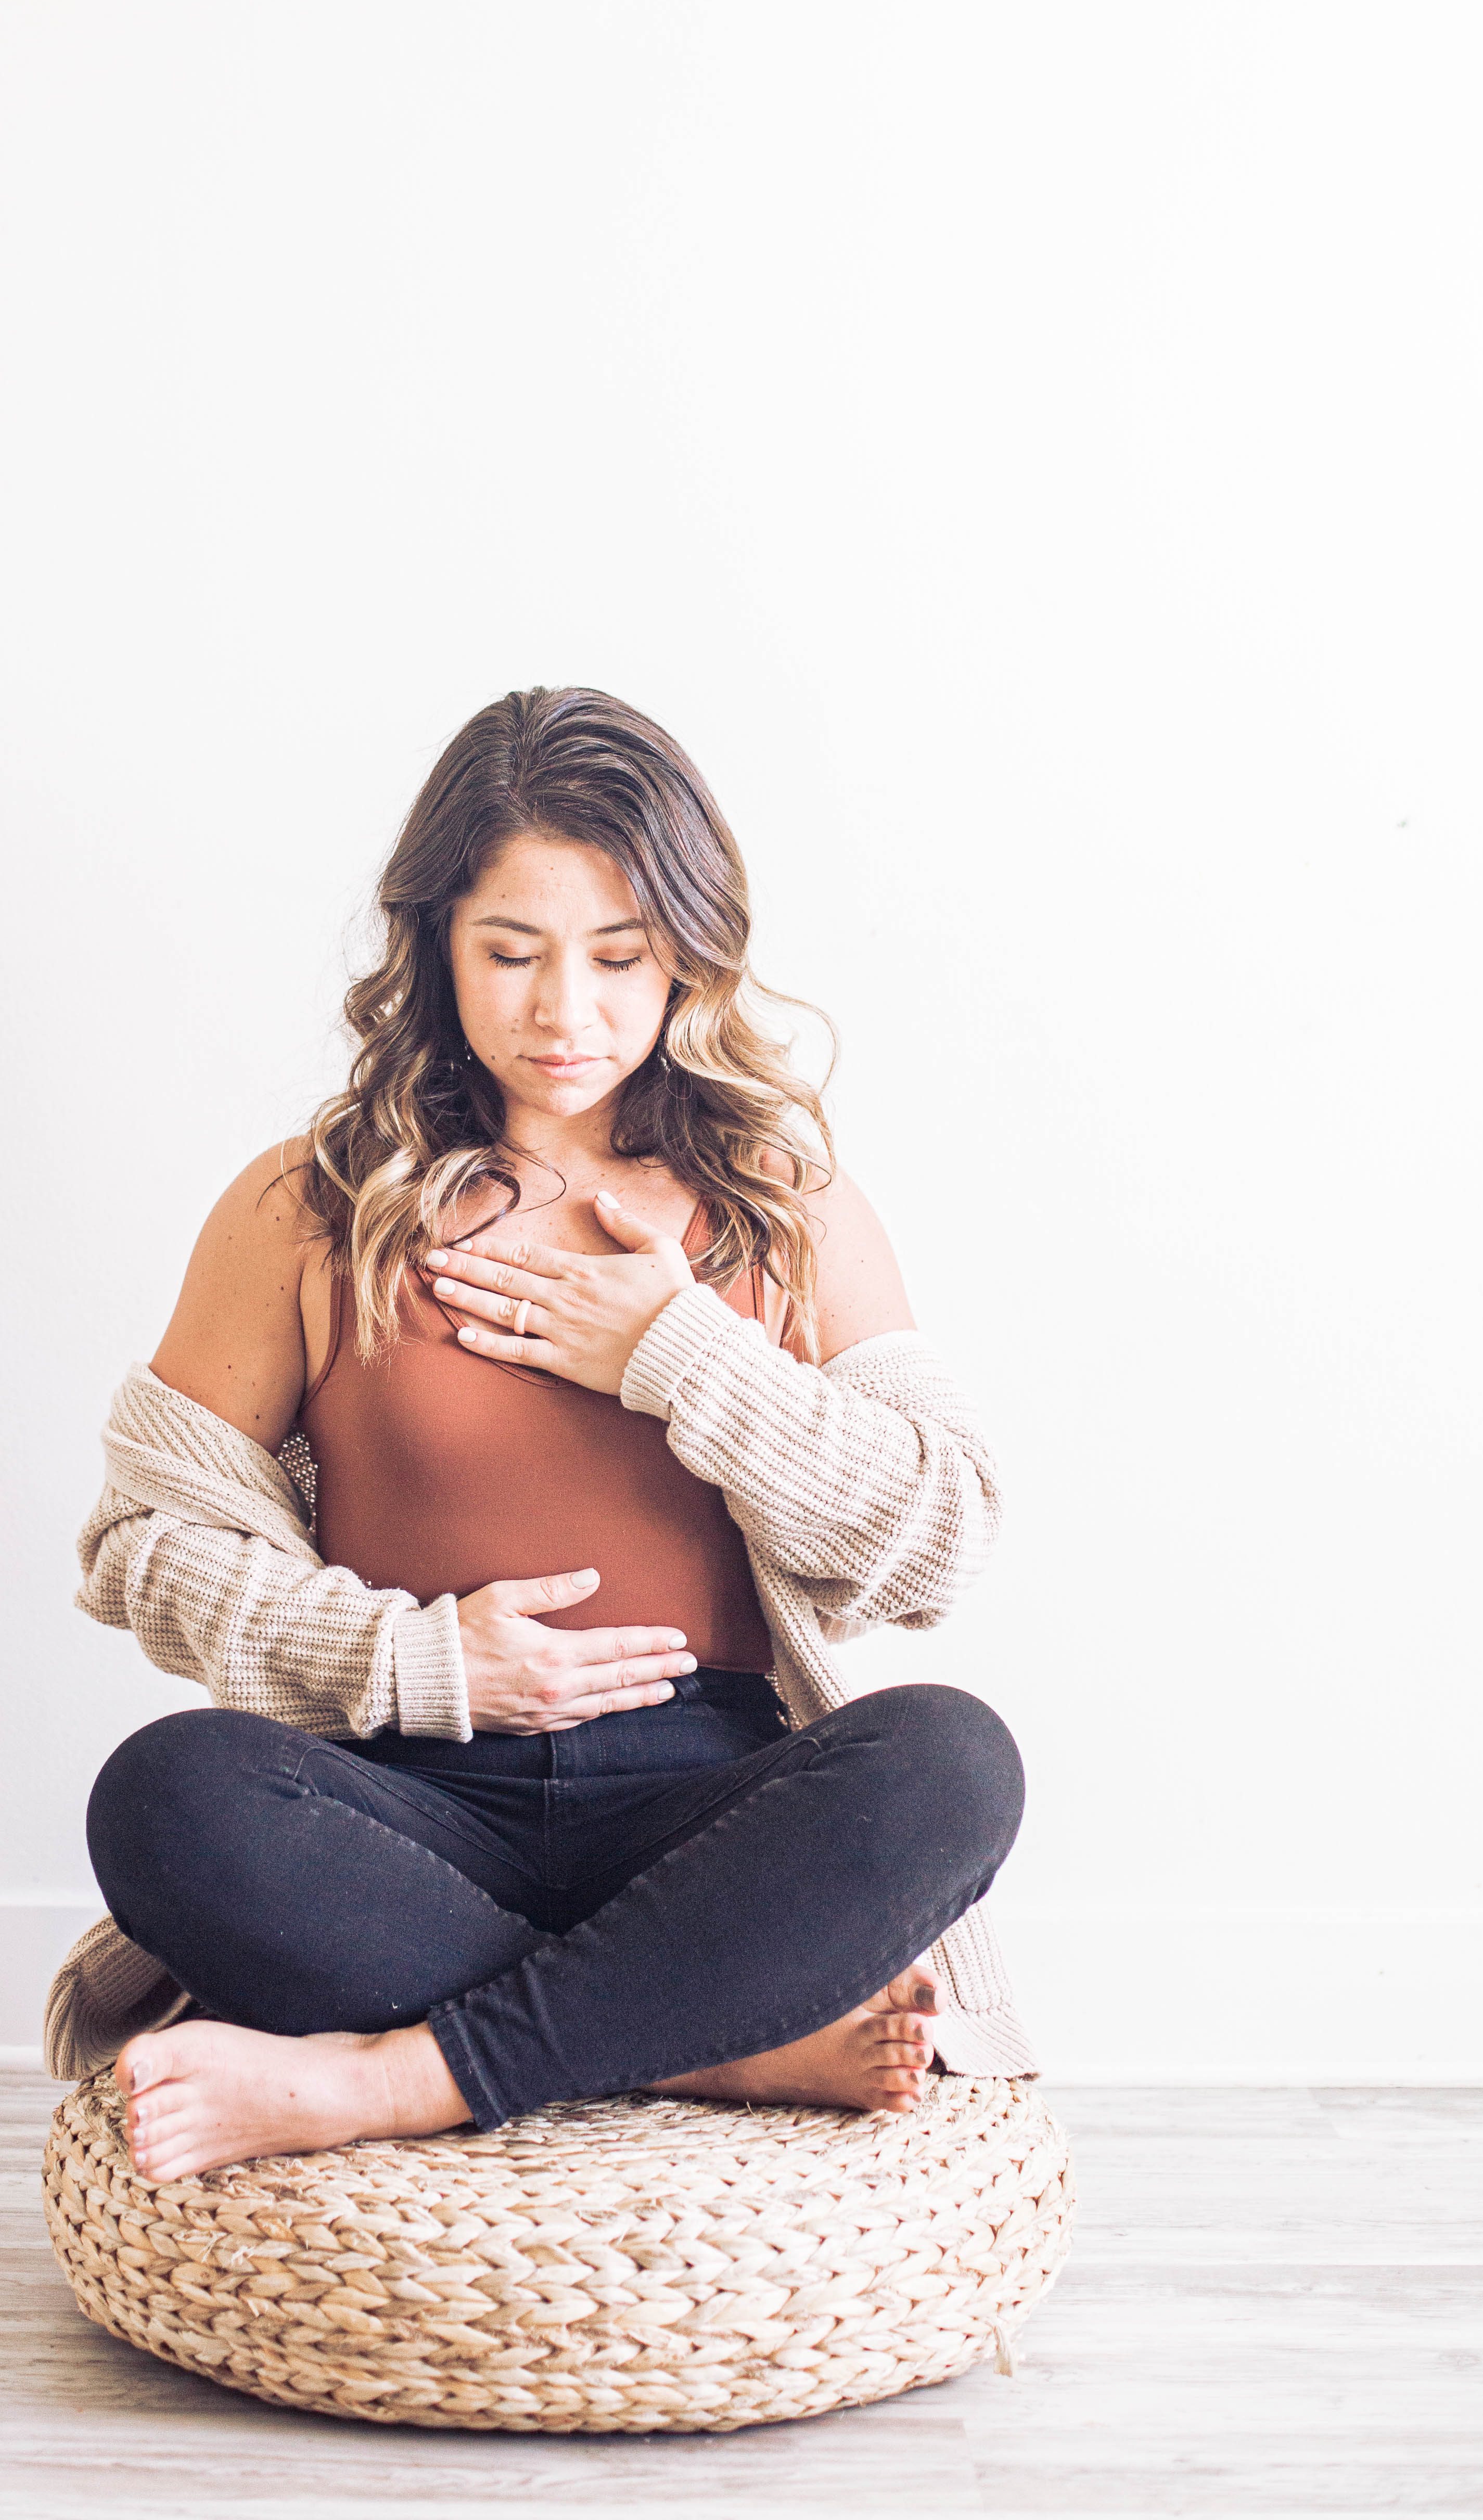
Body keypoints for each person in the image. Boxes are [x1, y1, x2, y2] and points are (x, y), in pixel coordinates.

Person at [65, 685, 1030, 2186]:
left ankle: (386, 2079)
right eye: (511, 953)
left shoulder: (788, 1201)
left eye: (619, 958)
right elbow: (148, 1549)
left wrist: (679, 1353)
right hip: (412, 1801)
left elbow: (940, 1537)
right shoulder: (306, 1206)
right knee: (167, 1796)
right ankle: (710, 2037)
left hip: (702, 1803)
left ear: (690, 957)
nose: (561, 1012)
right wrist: (420, 1663)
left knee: (953, 1763)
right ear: (437, 942)